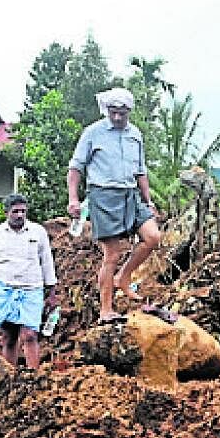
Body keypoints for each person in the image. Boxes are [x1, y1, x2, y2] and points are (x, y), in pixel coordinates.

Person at [66, 87, 169, 324]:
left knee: (152, 237)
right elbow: (75, 167)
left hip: (130, 194)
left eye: (122, 113)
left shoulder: (135, 135)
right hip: (103, 195)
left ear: (128, 112)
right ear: (107, 110)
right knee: (112, 253)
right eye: (113, 112)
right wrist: (73, 198)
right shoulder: (93, 133)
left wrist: (148, 201)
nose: (117, 117)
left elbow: (140, 171)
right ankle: (106, 309)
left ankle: (124, 276)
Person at [0, 194, 59, 369]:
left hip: (32, 290)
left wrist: (52, 294)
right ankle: (10, 377)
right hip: (5, 290)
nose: (20, 215)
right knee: (8, 336)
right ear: (6, 212)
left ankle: (34, 377)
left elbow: (47, 263)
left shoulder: (38, 232)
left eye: (23, 211)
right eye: (15, 211)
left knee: (30, 334)